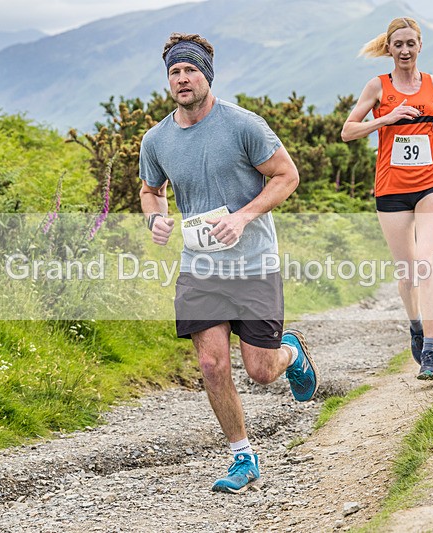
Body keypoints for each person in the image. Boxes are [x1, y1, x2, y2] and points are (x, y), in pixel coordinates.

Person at [139, 33, 319, 494]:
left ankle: (291, 352)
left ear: (207, 75)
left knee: (260, 370)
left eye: (190, 70)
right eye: (175, 72)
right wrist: (155, 219)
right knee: (212, 363)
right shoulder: (156, 139)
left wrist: (243, 217)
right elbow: (150, 190)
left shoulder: (243, 125)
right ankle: (243, 456)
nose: (182, 79)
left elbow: (287, 175)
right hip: (200, 267)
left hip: (254, 263)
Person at [341, 17, 433, 381]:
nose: (405, 50)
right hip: (391, 187)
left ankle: (431, 351)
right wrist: (386, 118)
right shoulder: (377, 86)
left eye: (411, 43)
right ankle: (415, 326)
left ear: (420, 46)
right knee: (407, 273)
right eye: (399, 44)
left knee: (425, 262)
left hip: (431, 182)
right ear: (389, 48)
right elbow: (348, 131)